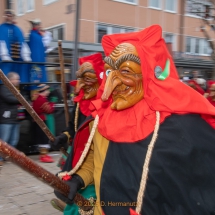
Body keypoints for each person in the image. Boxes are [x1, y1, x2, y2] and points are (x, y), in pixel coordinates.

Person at [55, 25, 215, 215]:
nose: (109, 88)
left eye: (126, 71)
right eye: (108, 72)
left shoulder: (186, 128)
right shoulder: (102, 119)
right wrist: (79, 178)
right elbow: (95, 160)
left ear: (149, 74)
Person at [50, 53, 104, 213]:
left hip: (98, 160)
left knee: (91, 195)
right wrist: (63, 137)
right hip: (78, 154)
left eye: (87, 80)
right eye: (81, 80)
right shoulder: (80, 105)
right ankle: (71, 205)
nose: (82, 85)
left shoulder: (107, 107)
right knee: (69, 187)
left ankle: (75, 207)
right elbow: (72, 129)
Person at [0, 10, 31, 82]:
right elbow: (1, 41)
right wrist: (4, 55)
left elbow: (22, 42)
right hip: (5, 60)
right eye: (6, 16)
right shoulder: (1, 28)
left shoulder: (17, 29)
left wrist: (26, 56)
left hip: (16, 59)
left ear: (13, 17)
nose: (8, 17)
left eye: (10, 16)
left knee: (17, 76)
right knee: (5, 75)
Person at [0, 72, 21, 166]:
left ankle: (9, 157)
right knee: (4, 140)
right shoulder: (3, 88)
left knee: (14, 140)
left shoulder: (13, 89)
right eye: (17, 79)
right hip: (6, 119)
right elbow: (11, 99)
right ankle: (0, 158)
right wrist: (20, 99)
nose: (18, 81)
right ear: (11, 80)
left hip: (14, 118)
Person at [32, 84, 54, 163]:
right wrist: (52, 104)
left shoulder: (38, 98)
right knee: (43, 138)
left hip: (38, 120)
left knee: (43, 137)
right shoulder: (41, 99)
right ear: (43, 91)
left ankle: (44, 154)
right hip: (40, 121)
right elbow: (49, 110)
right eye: (47, 90)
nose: (48, 92)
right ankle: (43, 156)